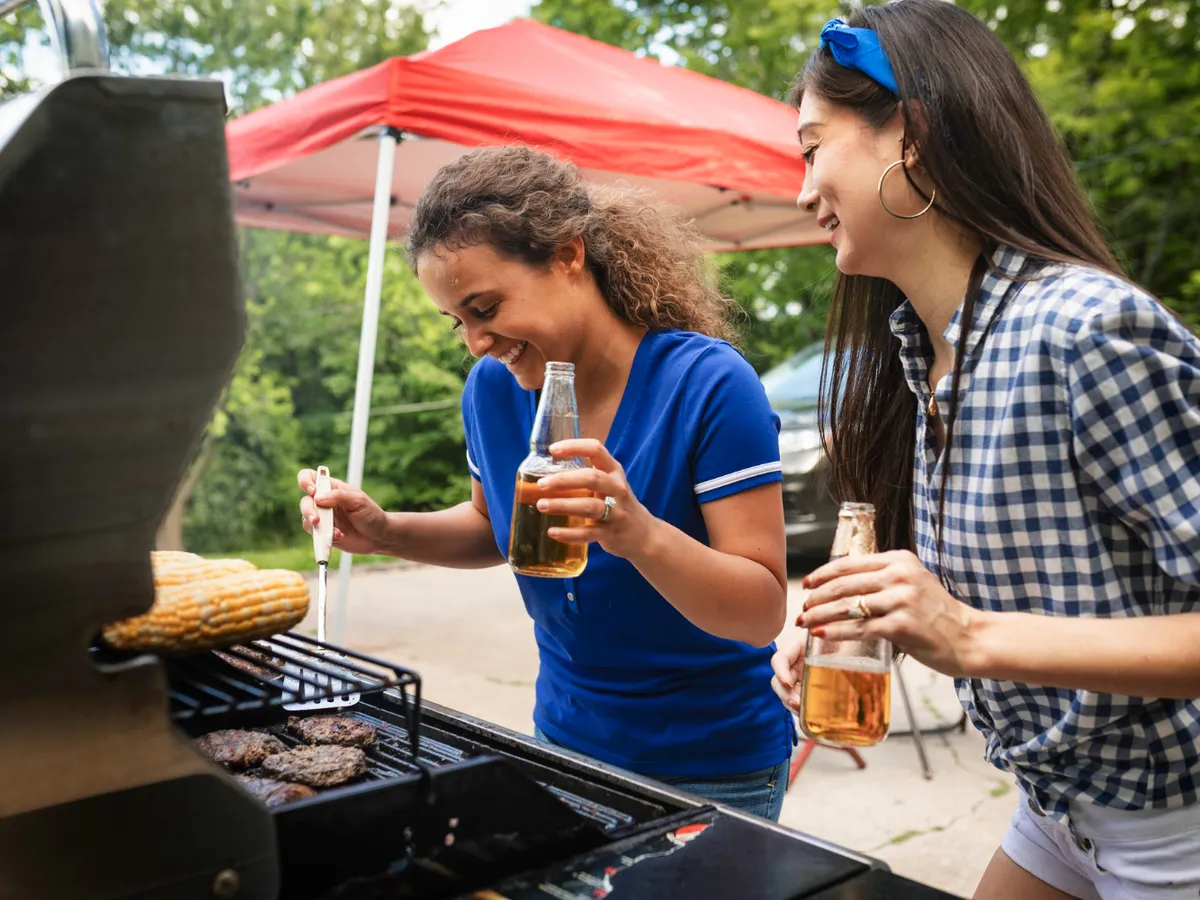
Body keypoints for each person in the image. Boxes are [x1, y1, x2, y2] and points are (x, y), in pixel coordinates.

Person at [769, 1, 1200, 897]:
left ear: (912, 137)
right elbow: (1028, 606)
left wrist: (965, 633)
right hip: (1056, 808)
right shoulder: (918, 357)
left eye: (814, 148)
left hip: (1175, 822)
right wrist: (886, 627)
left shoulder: (1085, 329)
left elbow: (984, 634)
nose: (802, 189)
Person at [299, 146, 794, 820]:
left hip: (709, 770)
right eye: (459, 322)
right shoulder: (494, 390)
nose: (475, 341)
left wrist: (639, 533)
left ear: (567, 255)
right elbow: (494, 527)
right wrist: (387, 531)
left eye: (485, 307)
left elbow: (761, 609)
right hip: (563, 745)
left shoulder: (708, 385)